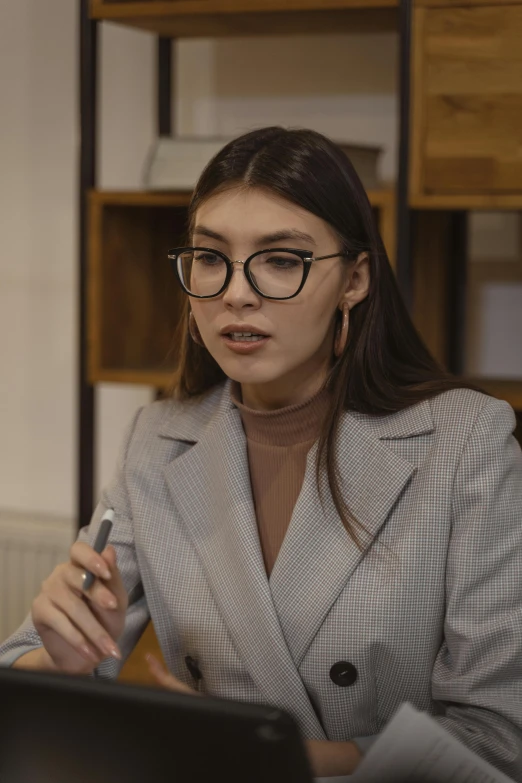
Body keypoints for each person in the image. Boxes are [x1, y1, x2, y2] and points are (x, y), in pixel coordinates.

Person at [1, 127, 521, 781]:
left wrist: (271, 756)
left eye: (281, 259)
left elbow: (499, 738)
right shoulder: (157, 442)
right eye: (210, 258)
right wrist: (64, 656)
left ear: (354, 279)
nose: (235, 292)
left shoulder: (466, 442)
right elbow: (24, 677)